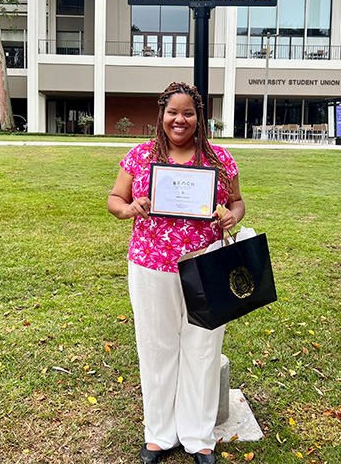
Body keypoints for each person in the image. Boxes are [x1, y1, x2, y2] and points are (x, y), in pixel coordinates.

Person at [107, 82, 245, 464]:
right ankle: (159, 434)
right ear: (161, 116)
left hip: (207, 265)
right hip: (151, 265)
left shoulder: (218, 159)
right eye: (173, 112)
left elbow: (237, 202)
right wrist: (130, 207)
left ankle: (198, 436)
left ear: (199, 118)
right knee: (156, 346)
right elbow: (114, 200)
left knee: (203, 347)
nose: (179, 119)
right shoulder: (140, 156)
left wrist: (232, 215)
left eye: (188, 113)